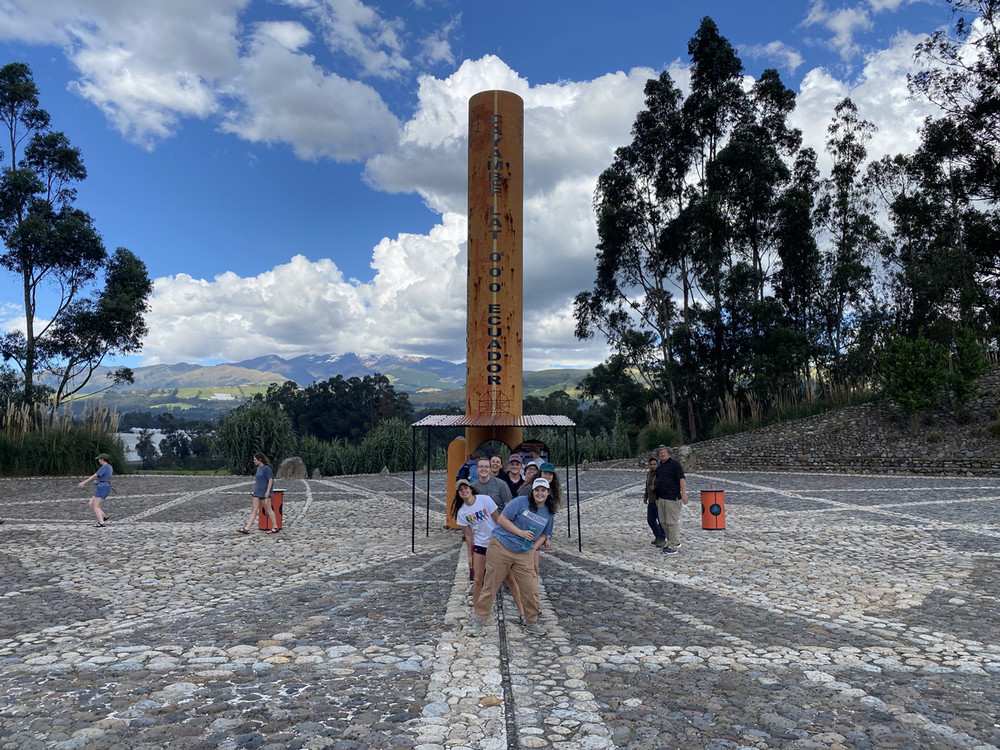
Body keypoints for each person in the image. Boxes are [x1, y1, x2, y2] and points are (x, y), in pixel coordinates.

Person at [468, 477, 559, 637]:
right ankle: (479, 620)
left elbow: (545, 534)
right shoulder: (520, 502)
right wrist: (520, 533)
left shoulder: (549, 512)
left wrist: (532, 547)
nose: (539, 493)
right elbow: (502, 519)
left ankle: (532, 622)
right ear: (532, 491)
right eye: (537, 490)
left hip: (523, 552)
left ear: (548, 492)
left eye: (543, 490)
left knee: (530, 588)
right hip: (501, 545)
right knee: (490, 585)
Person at [452, 479, 499, 620]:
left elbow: (498, 520)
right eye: (460, 490)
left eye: (465, 487)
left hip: (495, 542)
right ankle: (478, 610)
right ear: (459, 494)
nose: (464, 491)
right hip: (480, 544)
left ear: (470, 489)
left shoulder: (485, 500)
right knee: (478, 578)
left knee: (504, 576)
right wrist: (470, 555)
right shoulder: (462, 512)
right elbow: (468, 534)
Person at [654, 445, 688, 555]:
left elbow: (681, 479)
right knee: (663, 522)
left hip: (672, 498)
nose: (662, 454)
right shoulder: (659, 467)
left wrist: (684, 494)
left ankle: (673, 546)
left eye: (663, 452)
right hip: (662, 498)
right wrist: (657, 498)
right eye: (660, 453)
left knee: (671, 522)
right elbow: (658, 482)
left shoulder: (675, 465)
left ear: (668, 453)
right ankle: (674, 541)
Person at [238, 452, 279, 534]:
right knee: (254, 510)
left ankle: (275, 527)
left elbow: (270, 479)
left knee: (268, 509)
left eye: (255, 459)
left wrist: (268, 491)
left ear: (260, 459)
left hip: (264, 493)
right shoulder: (258, 469)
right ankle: (247, 528)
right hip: (257, 492)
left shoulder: (267, 468)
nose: (254, 461)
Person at [77, 453, 113, 527]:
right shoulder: (110, 467)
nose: (98, 461)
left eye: (99, 459)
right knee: (91, 503)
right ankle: (104, 516)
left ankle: (101, 523)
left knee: (96, 506)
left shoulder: (104, 467)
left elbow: (94, 476)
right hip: (105, 486)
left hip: (102, 487)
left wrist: (84, 482)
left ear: (102, 459)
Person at [642, 456, 666, 547]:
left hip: (659, 500)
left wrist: (655, 488)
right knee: (651, 520)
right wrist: (645, 496)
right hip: (651, 501)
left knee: (661, 521)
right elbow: (647, 485)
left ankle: (662, 538)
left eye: (654, 464)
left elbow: (663, 485)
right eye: (651, 464)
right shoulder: (648, 474)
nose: (653, 466)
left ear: (657, 464)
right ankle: (657, 536)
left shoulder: (660, 474)